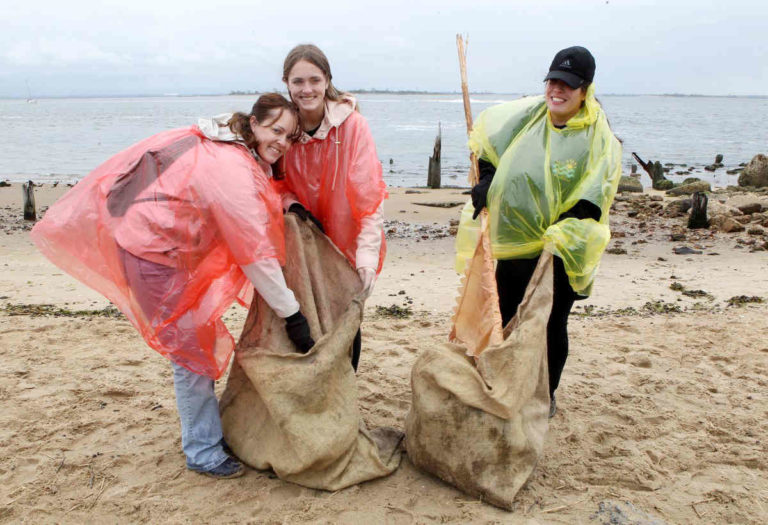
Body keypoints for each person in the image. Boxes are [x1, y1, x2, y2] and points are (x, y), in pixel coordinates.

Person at [31, 93, 315, 479]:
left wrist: (287, 201)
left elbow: (257, 193)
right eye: (276, 130)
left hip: (165, 252)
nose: (281, 142)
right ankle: (203, 451)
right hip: (152, 256)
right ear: (254, 124)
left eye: (289, 136)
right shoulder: (230, 166)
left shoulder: (231, 149)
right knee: (192, 354)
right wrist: (292, 313)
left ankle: (207, 434)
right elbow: (255, 256)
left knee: (196, 345)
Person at [460, 46, 622, 417]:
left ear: (585, 89)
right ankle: (501, 382)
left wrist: (558, 235)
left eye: (568, 84)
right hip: (514, 241)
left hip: (561, 247)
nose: (557, 90)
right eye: (553, 81)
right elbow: (489, 144)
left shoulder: (599, 136)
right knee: (502, 313)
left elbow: (595, 196)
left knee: (550, 321)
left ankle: (545, 393)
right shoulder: (529, 115)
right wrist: (486, 181)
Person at [276, 44, 387, 371]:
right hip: (300, 242)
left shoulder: (353, 127)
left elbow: (369, 197)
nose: (306, 89)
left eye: (314, 79)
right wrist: (292, 204)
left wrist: (366, 255)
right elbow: (269, 179)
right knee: (302, 318)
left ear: (327, 80)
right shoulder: (283, 126)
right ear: (286, 82)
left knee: (345, 320)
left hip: (345, 242)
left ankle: (345, 388)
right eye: (298, 81)